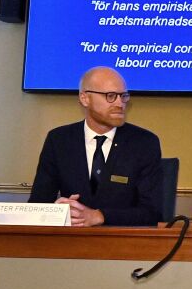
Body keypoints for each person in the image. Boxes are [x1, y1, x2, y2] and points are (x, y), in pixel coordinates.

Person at [28, 67, 163, 227]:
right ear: (85, 98)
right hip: (70, 243)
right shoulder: (58, 140)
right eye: (111, 96)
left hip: (123, 244)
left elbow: (152, 212)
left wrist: (99, 216)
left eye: (124, 96)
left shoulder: (144, 143)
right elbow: (37, 204)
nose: (120, 103)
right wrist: (58, 211)